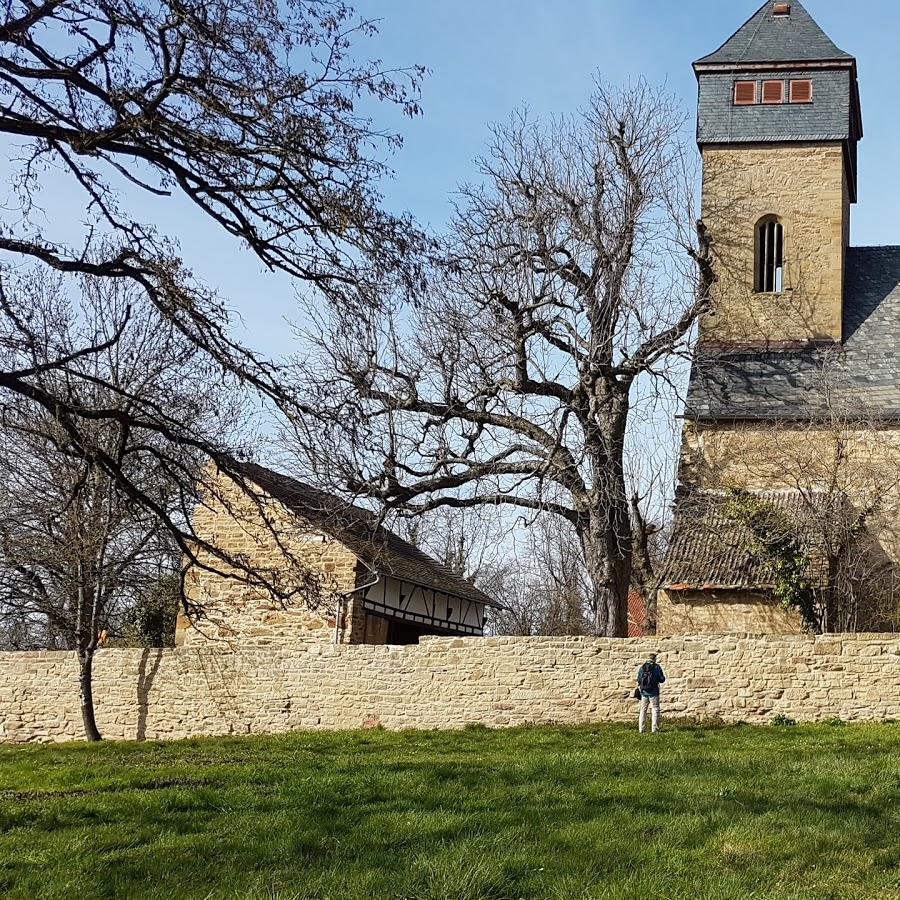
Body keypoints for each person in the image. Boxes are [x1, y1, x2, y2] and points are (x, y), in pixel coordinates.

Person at [636, 652, 666, 733]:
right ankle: (654, 729)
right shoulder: (657, 667)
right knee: (655, 709)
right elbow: (662, 679)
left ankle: (641, 729)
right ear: (654, 659)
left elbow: (639, 680)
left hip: (644, 692)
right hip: (654, 692)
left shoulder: (642, 667)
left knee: (643, 710)